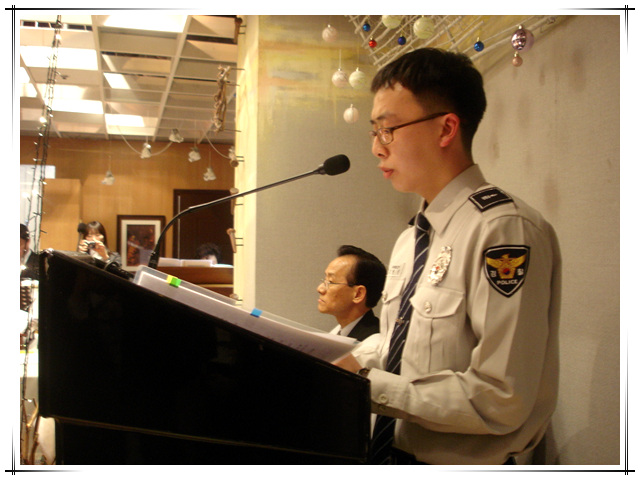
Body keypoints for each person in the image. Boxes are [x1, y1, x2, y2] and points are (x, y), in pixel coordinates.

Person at [334, 48, 561, 465]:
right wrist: (332, 358)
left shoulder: (502, 231)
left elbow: (500, 397)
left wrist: (368, 384)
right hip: (389, 454)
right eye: (374, 132)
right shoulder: (412, 238)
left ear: (446, 129)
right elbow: (403, 345)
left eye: (388, 130)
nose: (377, 149)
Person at [317, 245, 386, 342]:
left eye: (331, 282)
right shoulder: (340, 331)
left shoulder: (372, 343)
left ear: (358, 294)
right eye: (325, 280)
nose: (320, 289)